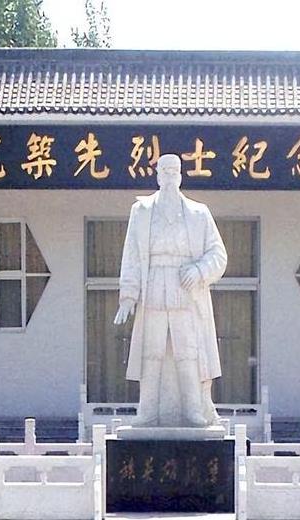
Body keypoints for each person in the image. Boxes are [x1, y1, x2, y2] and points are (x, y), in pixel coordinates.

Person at [113, 153, 227, 427]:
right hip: (153, 286)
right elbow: (131, 255)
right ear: (157, 175)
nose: (169, 175)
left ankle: (193, 409)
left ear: (181, 175)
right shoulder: (141, 211)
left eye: (174, 171)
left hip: (185, 288)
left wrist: (199, 270)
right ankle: (148, 411)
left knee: (188, 353)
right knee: (151, 353)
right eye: (164, 171)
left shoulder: (198, 213)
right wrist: (128, 296)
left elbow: (218, 254)